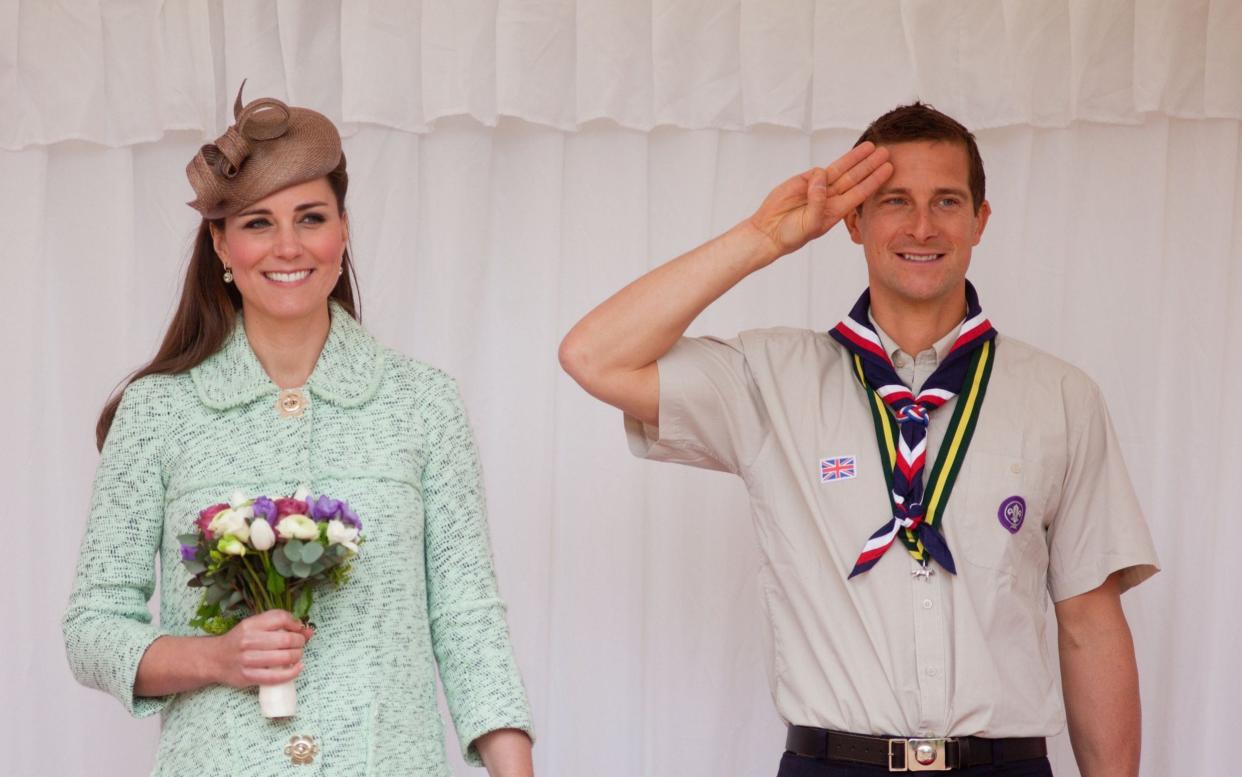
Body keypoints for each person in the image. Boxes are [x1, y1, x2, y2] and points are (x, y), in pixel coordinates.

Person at [559, 103, 1158, 776]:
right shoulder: (769, 382)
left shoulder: (1061, 397)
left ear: (979, 221)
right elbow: (594, 356)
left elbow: (1090, 626)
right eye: (894, 200)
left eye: (948, 201)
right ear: (853, 220)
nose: (922, 226)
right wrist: (764, 237)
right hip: (834, 762)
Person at [62, 88, 535, 777]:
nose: (288, 246)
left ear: (341, 231)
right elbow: (92, 626)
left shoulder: (422, 403)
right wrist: (214, 657)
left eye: (310, 217)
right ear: (222, 243)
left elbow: (468, 617)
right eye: (258, 223)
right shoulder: (158, 411)